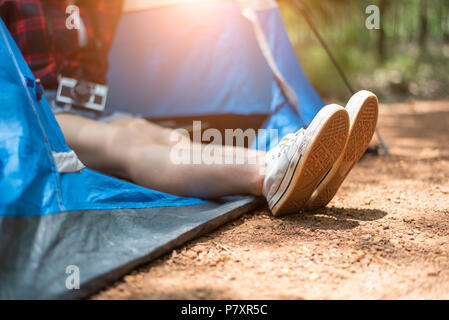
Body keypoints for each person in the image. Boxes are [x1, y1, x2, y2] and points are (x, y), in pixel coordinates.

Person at [0, 0, 378, 216]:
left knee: (158, 135)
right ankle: (269, 172)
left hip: (89, 108)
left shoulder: (100, 6)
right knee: (124, 144)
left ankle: (296, 168)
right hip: (36, 115)